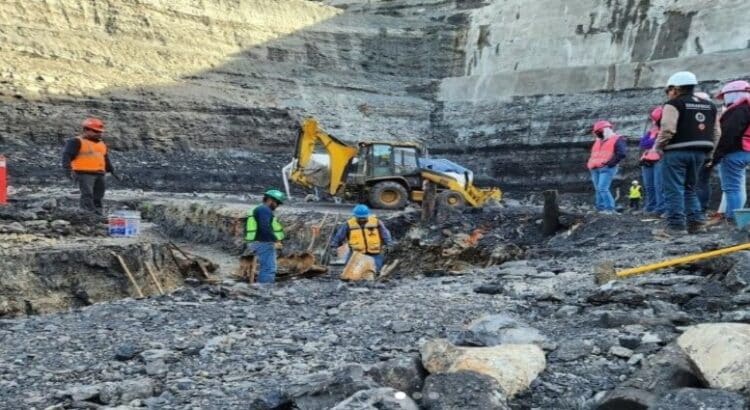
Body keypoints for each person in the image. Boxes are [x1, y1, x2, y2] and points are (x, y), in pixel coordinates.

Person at [651, 71, 721, 235]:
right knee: (690, 188)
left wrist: (658, 147)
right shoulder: (710, 105)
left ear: (675, 89)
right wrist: (710, 153)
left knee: (674, 188)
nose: (668, 94)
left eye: (668, 90)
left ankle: (675, 226)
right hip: (700, 153)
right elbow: (717, 132)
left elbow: (667, 129)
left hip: (676, 152)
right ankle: (695, 223)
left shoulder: (673, 104)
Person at [712, 80, 750, 223]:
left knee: (732, 189)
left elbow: (727, 135)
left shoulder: (738, 110)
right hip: (747, 151)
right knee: (738, 188)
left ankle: (733, 220)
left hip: (735, 153)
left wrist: (715, 157)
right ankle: (740, 220)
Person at [62, 118, 117, 215]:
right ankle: (87, 214)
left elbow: (104, 157)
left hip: (99, 173)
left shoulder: (101, 144)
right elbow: (67, 155)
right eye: (96, 131)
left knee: (98, 195)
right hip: (84, 173)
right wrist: (67, 169)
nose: (99, 133)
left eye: (100, 132)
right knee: (87, 195)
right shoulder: (76, 141)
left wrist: (111, 169)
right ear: (86, 130)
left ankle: (98, 214)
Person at [330, 204, 393, 272]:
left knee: (375, 271)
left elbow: (385, 234)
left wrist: (389, 245)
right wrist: (334, 247)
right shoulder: (348, 224)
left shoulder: (376, 222)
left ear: (368, 215)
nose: (362, 220)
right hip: (355, 254)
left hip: (374, 253)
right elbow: (339, 236)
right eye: (360, 218)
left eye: (364, 217)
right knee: (349, 272)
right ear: (355, 216)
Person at [245, 189, 286, 284]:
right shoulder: (264, 210)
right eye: (277, 203)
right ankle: (264, 289)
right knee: (269, 268)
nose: (277, 206)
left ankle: (260, 286)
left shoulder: (259, 209)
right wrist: (275, 240)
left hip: (257, 242)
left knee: (265, 267)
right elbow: (265, 227)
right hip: (263, 242)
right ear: (270, 200)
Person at [587, 120, 627, 214]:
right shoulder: (598, 140)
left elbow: (621, 153)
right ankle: (600, 208)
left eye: (598, 132)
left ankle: (610, 209)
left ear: (605, 130)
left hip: (606, 168)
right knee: (598, 189)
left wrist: (610, 164)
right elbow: (595, 154)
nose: (597, 134)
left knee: (602, 188)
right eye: (596, 133)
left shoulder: (617, 139)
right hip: (594, 168)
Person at [639, 106, 665, 214]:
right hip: (647, 160)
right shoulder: (652, 131)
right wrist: (652, 141)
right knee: (649, 185)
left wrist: (651, 141)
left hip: (660, 159)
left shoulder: (665, 130)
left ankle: (661, 208)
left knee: (659, 185)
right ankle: (651, 207)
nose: (653, 122)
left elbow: (650, 143)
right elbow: (643, 144)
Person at [694, 92, 716, 212]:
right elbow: (716, 134)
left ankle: (699, 208)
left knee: (698, 181)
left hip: (701, 153)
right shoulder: (712, 113)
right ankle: (702, 207)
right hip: (707, 152)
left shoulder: (698, 115)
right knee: (703, 181)